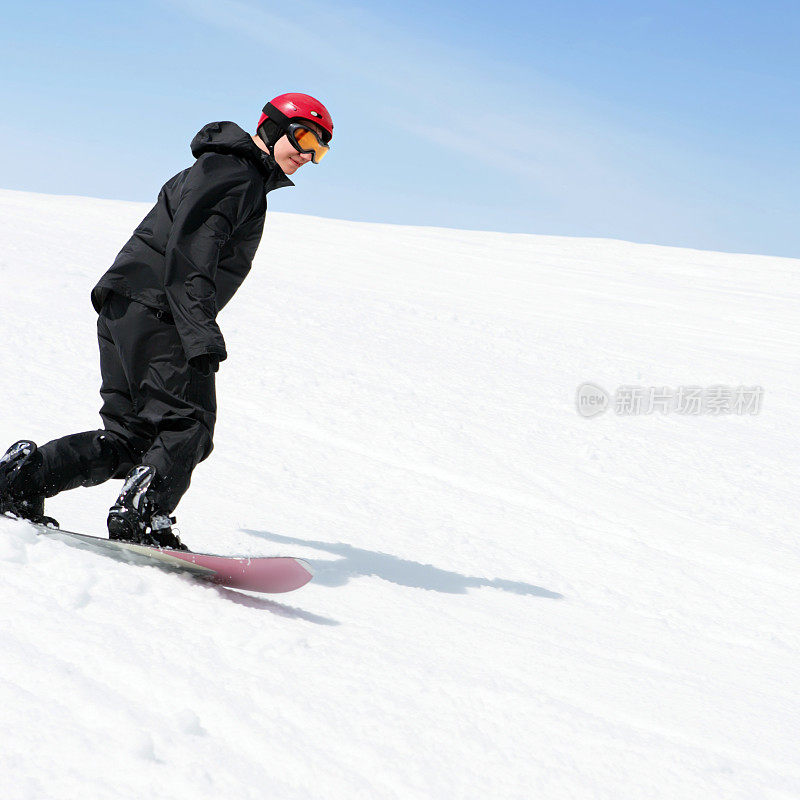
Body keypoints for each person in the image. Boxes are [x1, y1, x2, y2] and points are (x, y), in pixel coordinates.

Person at [0, 93, 334, 551]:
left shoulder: (220, 169)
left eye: (321, 150)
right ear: (273, 127)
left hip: (127, 306)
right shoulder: (238, 176)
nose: (308, 155)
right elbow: (191, 254)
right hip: (161, 310)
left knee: (132, 437)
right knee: (188, 425)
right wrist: (200, 333)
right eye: (305, 138)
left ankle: (23, 479)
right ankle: (143, 515)